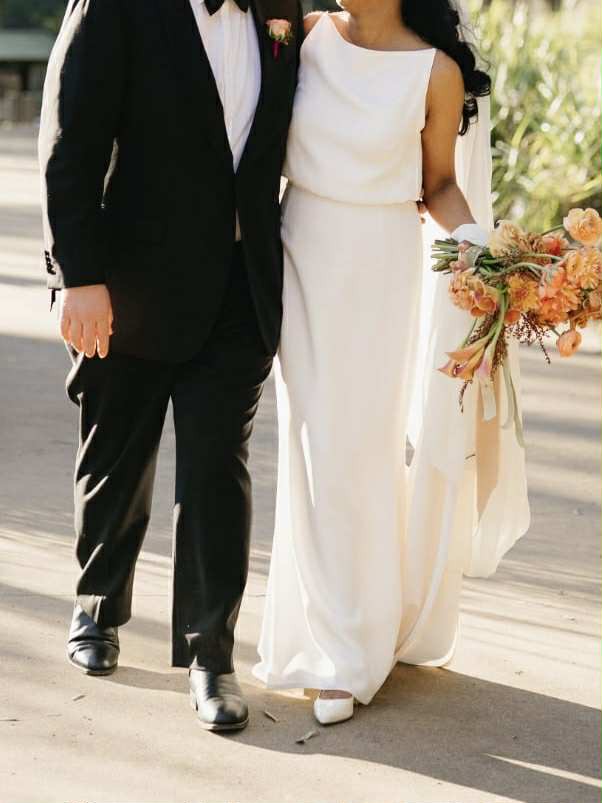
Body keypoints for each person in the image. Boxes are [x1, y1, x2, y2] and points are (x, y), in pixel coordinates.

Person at [254, 0, 530, 725]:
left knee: (359, 447)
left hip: (378, 264)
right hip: (299, 250)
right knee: (311, 444)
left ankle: (352, 649)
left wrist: (486, 253)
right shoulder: (308, 36)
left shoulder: (435, 72)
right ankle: (317, 635)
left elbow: (437, 184)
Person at [38, 0, 302, 733]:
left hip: (240, 287)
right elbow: (69, 137)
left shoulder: (281, 8)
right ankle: (97, 605)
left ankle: (211, 654)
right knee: (116, 451)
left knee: (218, 466)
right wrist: (78, 276)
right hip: (130, 282)